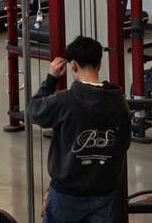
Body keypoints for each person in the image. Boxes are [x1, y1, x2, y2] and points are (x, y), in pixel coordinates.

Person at [30, 35, 131, 223]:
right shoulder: (119, 103)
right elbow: (124, 143)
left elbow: (34, 111)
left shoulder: (64, 101)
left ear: (73, 66)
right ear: (100, 64)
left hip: (65, 195)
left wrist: (51, 79)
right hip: (105, 195)